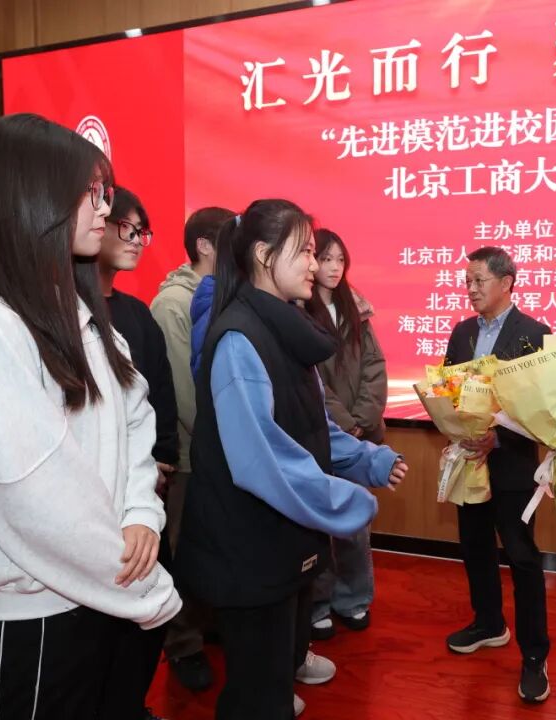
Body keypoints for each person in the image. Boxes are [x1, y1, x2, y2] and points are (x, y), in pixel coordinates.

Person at [0, 113, 181, 719]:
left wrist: (140, 512)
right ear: (30, 194)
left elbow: (134, 415)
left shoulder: (74, 306)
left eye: (103, 192)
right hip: (31, 613)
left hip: (96, 588)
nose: (104, 208)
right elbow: (36, 497)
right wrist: (145, 586)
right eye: (89, 193)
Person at [174, 199, 408, 720]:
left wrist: (365, 460)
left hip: (279, 539)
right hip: (247, 545)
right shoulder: (239, 338)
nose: (314, 264)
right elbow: (262, 456)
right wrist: (344, 500)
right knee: (257, 696)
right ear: (263, 255)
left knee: (276, 679)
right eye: (304, 251)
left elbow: (309, 425)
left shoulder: (283, 328)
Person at [442, 246, 552, 704]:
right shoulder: (462, 332)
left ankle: (534, 656)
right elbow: (447, 388)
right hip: (469, 460)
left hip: (512, 466)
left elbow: (542, 408)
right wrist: (455, 423)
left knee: (522, 558)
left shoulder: (535, 334)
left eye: (479, 280)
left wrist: (498, 438)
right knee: (475, 547)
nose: (470, 289)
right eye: (467, 281)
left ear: (506, 282)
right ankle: (489, 623)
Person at [96, 185, 178, 720]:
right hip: (96, 500)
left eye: (141, 231)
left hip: (146, 491)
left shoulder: (136, 314)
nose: (136, 240)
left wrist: (162, 460)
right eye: (125, 227)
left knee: (152, 611)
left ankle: (129, 704)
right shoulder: (67, 312)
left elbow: (160, 395)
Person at [150, 205, 237, 691]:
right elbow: (185, 394)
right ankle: (182, 644)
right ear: (205, 245)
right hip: (190, 453)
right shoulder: (172, 304)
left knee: (213, 547)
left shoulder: (222, 294)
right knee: (182, 551)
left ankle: (207, 624)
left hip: (218, 451)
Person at [303, 228, 388, 639]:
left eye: (340, 260)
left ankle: (353, 598)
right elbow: (312, 379)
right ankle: (317, 602)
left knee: (355, 521)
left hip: (361, 432)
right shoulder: (298, 309)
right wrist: (342, 421)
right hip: (321, 433)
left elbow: (375, 365)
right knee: (319, 523)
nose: (334, 267)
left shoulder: (356, 307)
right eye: (326, 258)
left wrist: (363, 417)